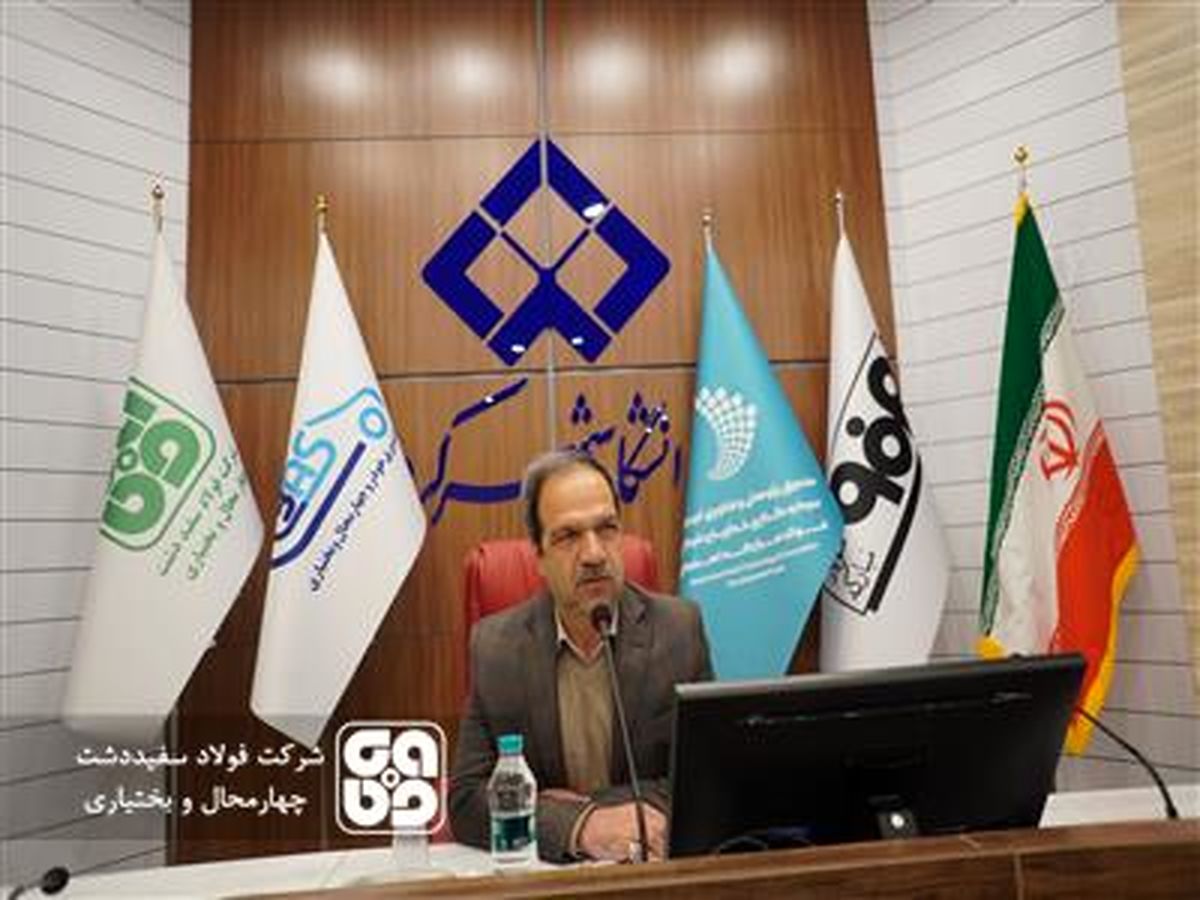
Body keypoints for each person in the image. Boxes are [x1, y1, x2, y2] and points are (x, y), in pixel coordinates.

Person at [449, 449, 713, 862]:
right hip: (549, 876)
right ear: (539, 556)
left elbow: (706, 781)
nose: (594, 554)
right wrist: (579, 826)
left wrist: (585, 806)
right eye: (568, 536)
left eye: (606, 529)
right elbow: (467, 801)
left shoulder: (679, 630)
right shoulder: (496, 647)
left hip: (649, 867)